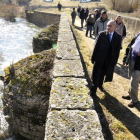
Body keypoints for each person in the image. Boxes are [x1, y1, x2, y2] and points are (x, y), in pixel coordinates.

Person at [90, 20, 122, 97]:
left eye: (110, 26)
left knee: (103, 74)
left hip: (109, 60)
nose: (108, 27)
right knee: (96, 74)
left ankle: (100, 85)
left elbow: (117, 51)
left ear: (115, 26)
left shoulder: (118, 37)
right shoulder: (101, 35)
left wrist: (114, 62)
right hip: (99, 58)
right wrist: (93, 57)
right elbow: (96, 47)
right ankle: (93, 90)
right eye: (107, 25)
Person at [122, 32, 140, 107]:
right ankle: (130, 94)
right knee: (131, 79)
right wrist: (125, 58)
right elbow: (130, 46)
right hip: (132, 60)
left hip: (139, 64)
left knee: (134, 81)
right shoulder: (138, 34)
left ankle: (134, 100)